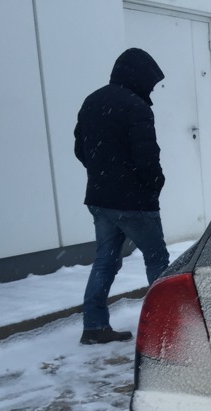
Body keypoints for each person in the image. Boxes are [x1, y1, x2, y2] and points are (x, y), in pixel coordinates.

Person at [74, 48, 170, 345]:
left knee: (105, 261)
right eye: (151, 83)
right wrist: (154, 184)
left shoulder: (92, 101)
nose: (151, 89)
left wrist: (104, 175)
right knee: (157, 260)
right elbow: (147, 158)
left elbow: (80, 149)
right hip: (134, 202)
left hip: (100, 199)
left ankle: (94, 326)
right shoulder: (137, 108)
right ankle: (167, 325)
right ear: (138, 76)